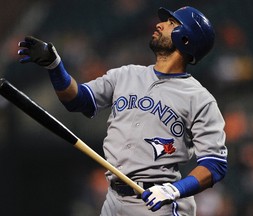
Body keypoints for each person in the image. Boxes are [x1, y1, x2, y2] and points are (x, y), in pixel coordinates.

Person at [17, 6, 228, 216]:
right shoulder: (126, 74)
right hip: (113, 199)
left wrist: (174, 190)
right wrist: (55, 67)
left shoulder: (200, 98)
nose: (159, 24)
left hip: (157, 201)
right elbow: (77, 100)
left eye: (171, 23)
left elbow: (214, 164)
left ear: (186, 39)